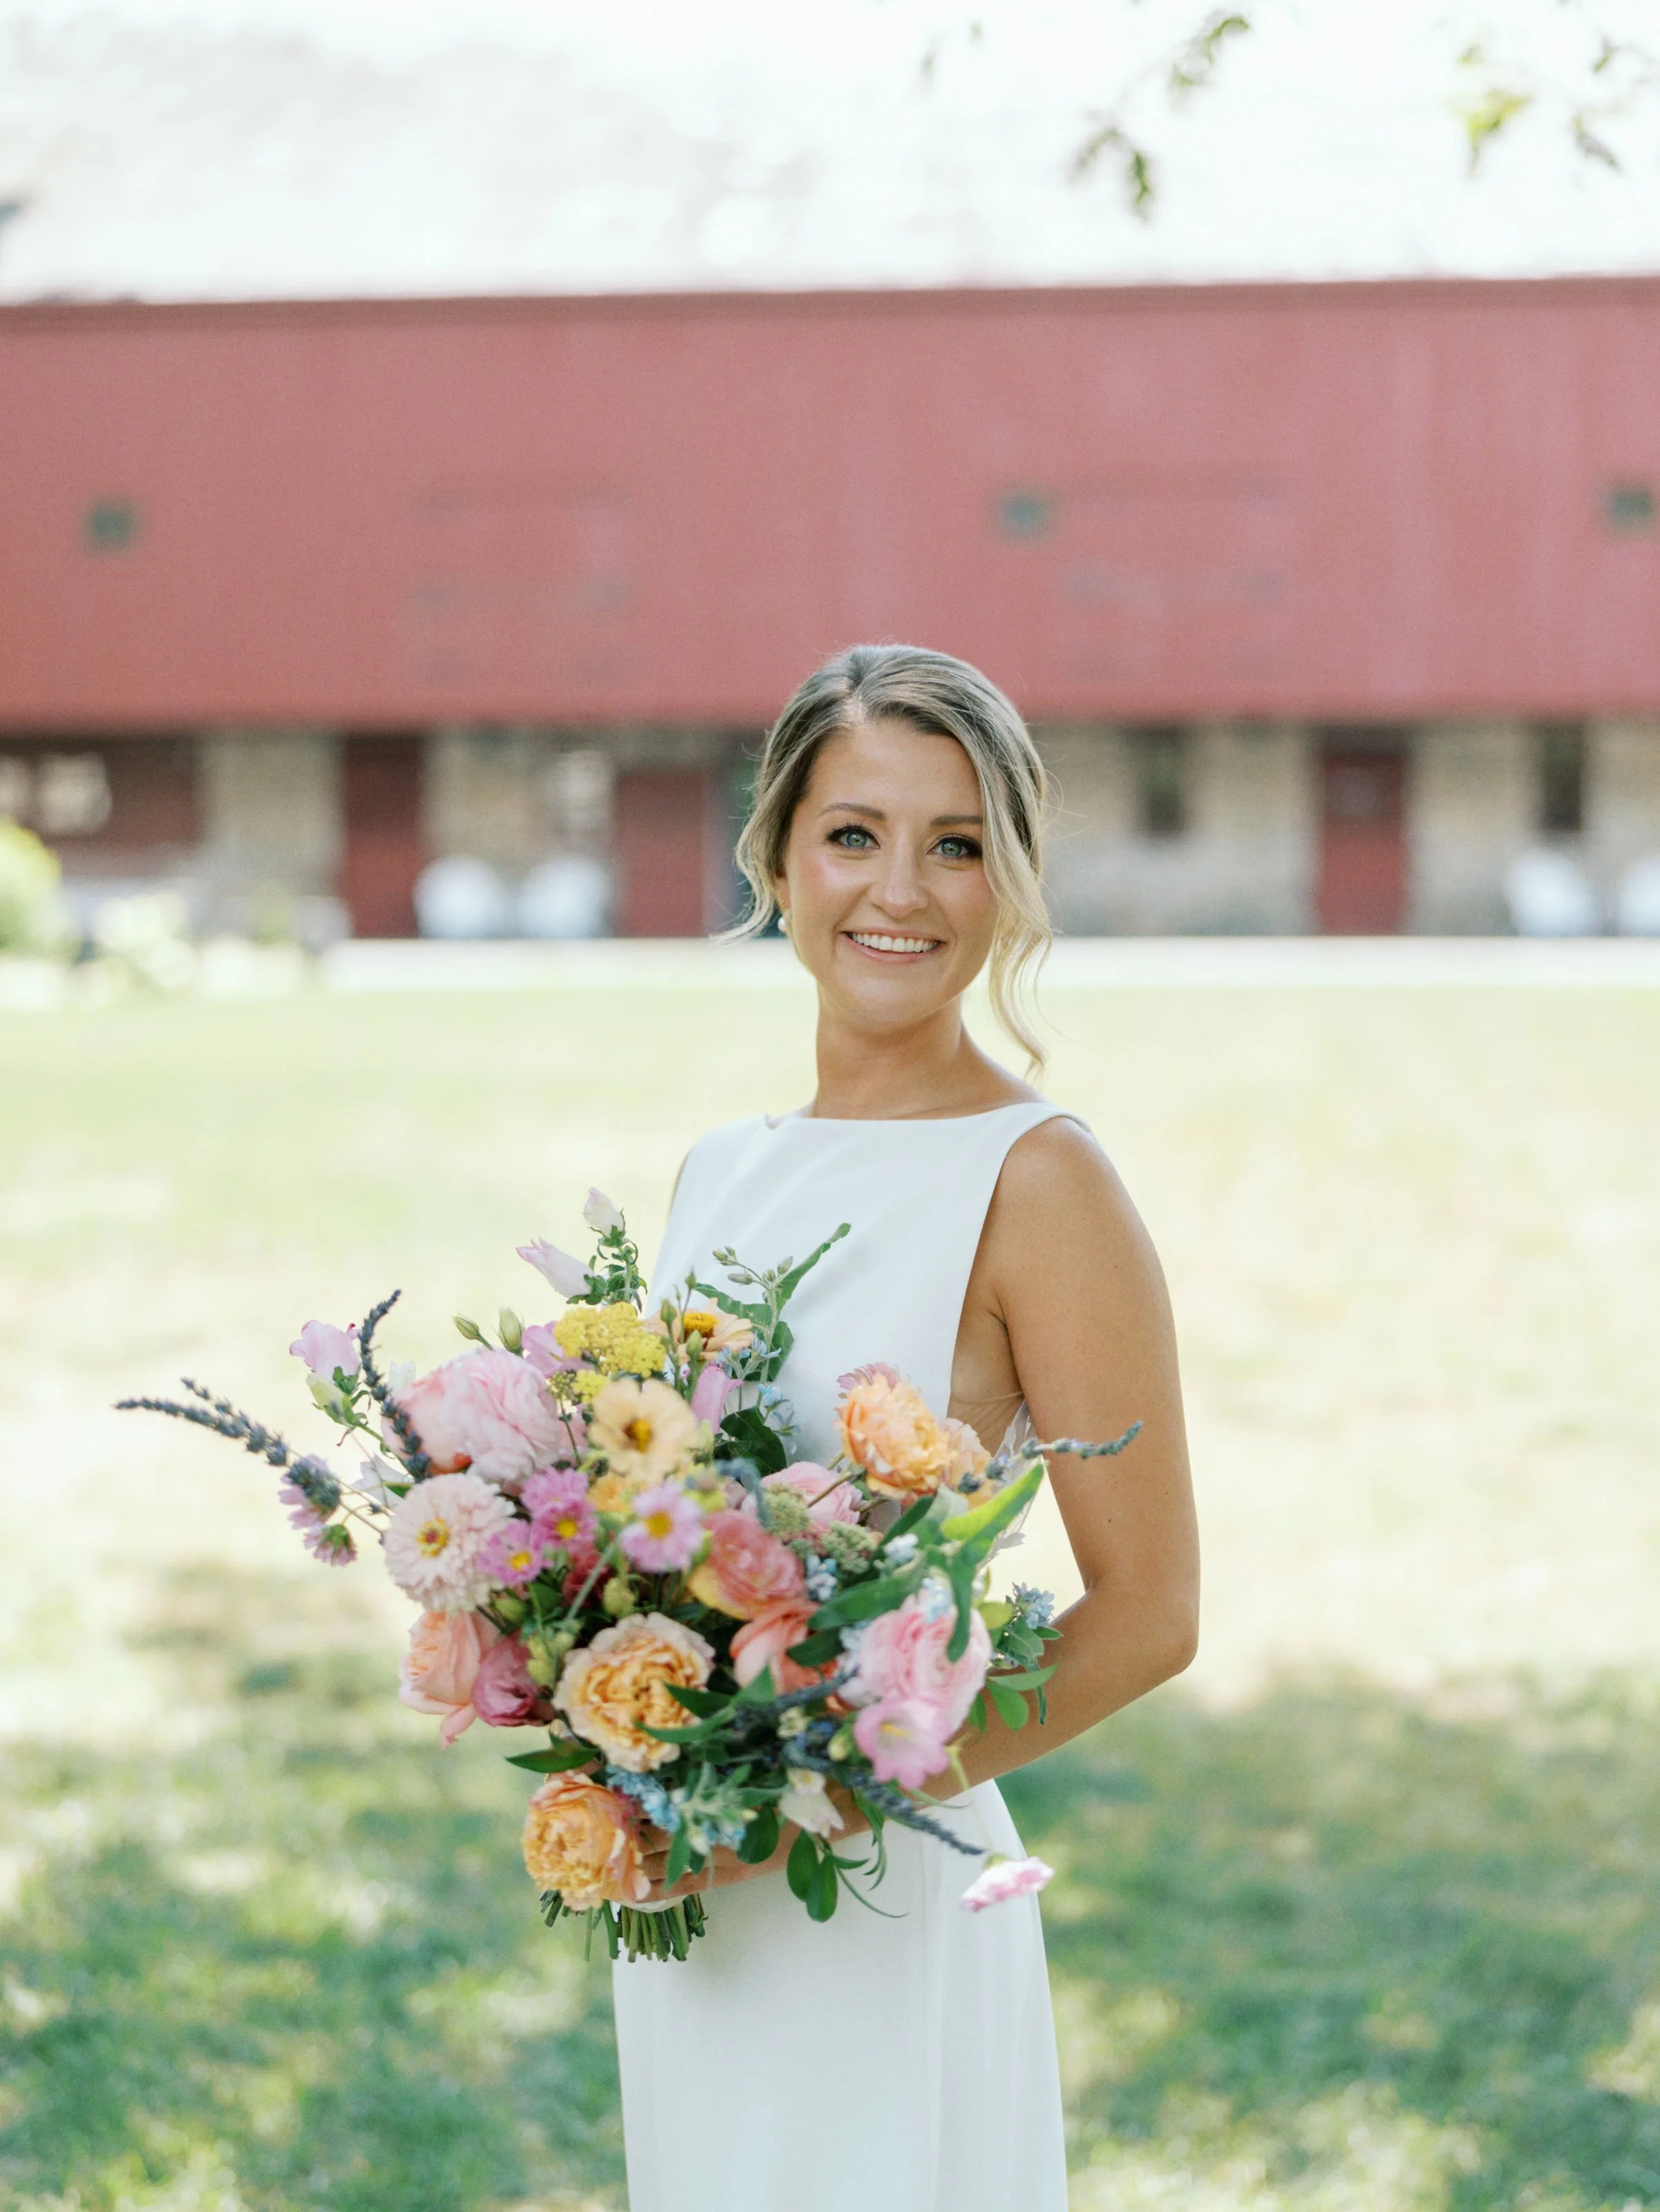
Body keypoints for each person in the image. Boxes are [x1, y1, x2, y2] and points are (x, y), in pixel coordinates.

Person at [612, 643, 1200, 2212]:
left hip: (879, 1884)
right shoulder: (719, 1171)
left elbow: (1149, 1618)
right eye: (855, 834)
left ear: (1007, 880)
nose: (904, 890)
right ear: (778, 857)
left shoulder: (1040, 1180)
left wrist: (809, 1802)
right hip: (692, 1904)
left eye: (957, 843)